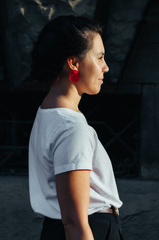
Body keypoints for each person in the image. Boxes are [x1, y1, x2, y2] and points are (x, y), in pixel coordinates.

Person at [28, 15, 124, 240]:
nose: (105, 67)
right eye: (99, 57)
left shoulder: (47, 113)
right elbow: (74, 223)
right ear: (73, 63)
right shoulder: (71, 128)